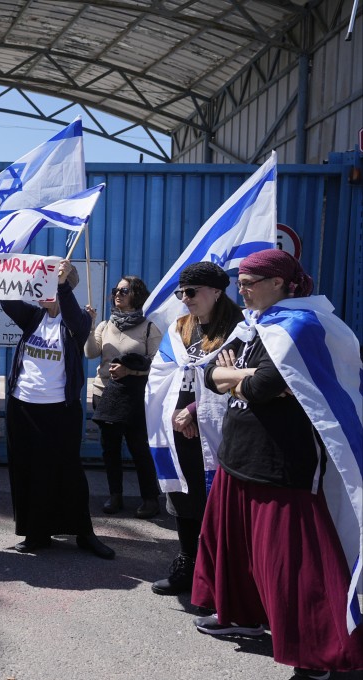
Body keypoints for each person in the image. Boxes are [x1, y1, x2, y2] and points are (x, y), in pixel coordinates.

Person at [191, 250, 363, 679]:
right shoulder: (255, 325)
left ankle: (313, 655)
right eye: (241, 281)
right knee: (236, 550)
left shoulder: (302, 326)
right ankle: (242, 615)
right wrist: (238, 377)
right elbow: (212, 373)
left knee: (292, 566)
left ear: (282, 283)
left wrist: (241, 377)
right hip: (239, 453)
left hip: (282, 461)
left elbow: (268, 384)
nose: (242, 289)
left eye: (251, 282)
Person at [0, 258, 114, 559]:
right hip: (23, 407)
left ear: (60, 290)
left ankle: (84, 533)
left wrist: (62, 284)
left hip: (60, 409)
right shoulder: (33, 317)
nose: (40, 293)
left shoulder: (79, 319)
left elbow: (74, 320)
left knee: (68, 471)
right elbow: (8, 302)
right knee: (28, 470)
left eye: (48, 287)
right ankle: (36, 533)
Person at [145, 262, 242, 595]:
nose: (184, 298)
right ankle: (187, 563)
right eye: (180, 292)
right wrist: (176, 415)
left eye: (191, 292)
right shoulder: (180, 328)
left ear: (216, 291)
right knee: (182, 497)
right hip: (179, 429)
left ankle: (217, 575)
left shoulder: (238, 330)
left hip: (219, 431)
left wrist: (195, 412)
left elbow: (235, 383)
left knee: (214, 503)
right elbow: (162, 375)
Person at [84, 276, 163, 517]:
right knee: (110, 448)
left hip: (134, 395)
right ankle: (115, 496)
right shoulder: (105, 325)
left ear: (136, 294)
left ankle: (150, 499)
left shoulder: (148, 328)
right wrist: (90, 325)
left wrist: (131, 370)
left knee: (139, 447)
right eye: (116, 290)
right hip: (104, 393)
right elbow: (90, 353)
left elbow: (159, 364)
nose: (118, 294)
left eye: (124, 290)